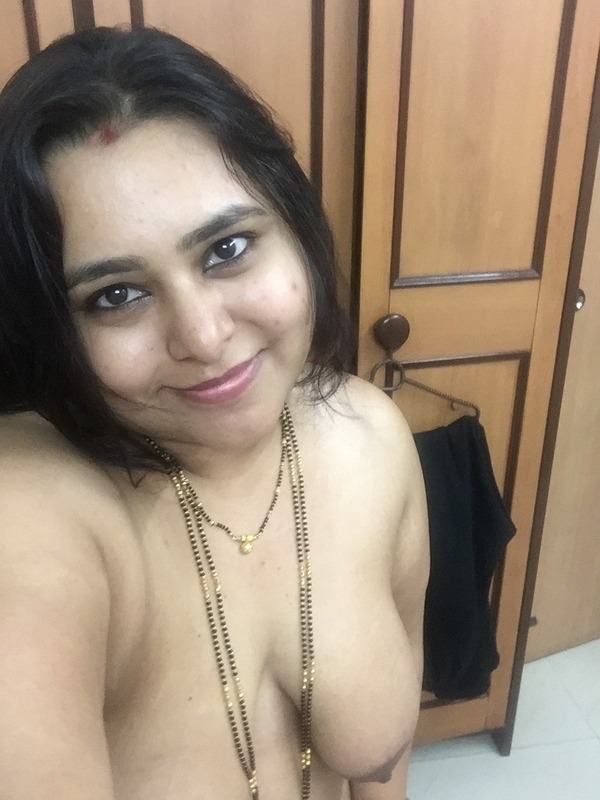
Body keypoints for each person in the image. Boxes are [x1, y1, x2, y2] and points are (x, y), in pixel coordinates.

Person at [0, 26, 429, 800]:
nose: (202, 337)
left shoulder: (372, 437)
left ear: (294, 225)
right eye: (116, 295)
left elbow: (384, 769)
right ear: (49, 327)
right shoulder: (34, 514)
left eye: (226, 249)